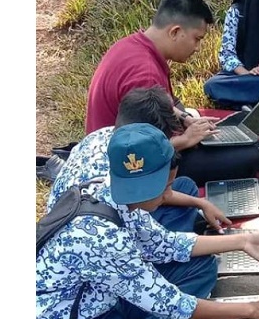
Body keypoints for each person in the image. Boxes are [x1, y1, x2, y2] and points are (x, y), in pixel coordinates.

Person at [37, 123, 259, 319]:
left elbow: (166, 244)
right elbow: (172, 304)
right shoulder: (100, 237)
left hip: (107, 301)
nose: (167, 195)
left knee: (199, 266)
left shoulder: (113, 191)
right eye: (167, 186)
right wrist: (252, 310)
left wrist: (242, 241)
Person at [84, 0, 259, 185]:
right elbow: (140, 151)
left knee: (212, 135)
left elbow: (166, 104)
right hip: (124, 169)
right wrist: (186, 140)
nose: (197, 48)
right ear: (175, 32)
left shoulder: (132, 45)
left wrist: (185, 118)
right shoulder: (145, 73)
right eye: (197, 39)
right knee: (250, 157)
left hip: (115, 141)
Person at [48, 87, 231, 233]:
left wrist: (201, 202)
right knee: (199, 267)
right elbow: (159, 241)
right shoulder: (118, 182)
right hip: (101, 237)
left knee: (183, 186)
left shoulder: (104, 135)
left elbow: (160, 194)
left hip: (63, 221)